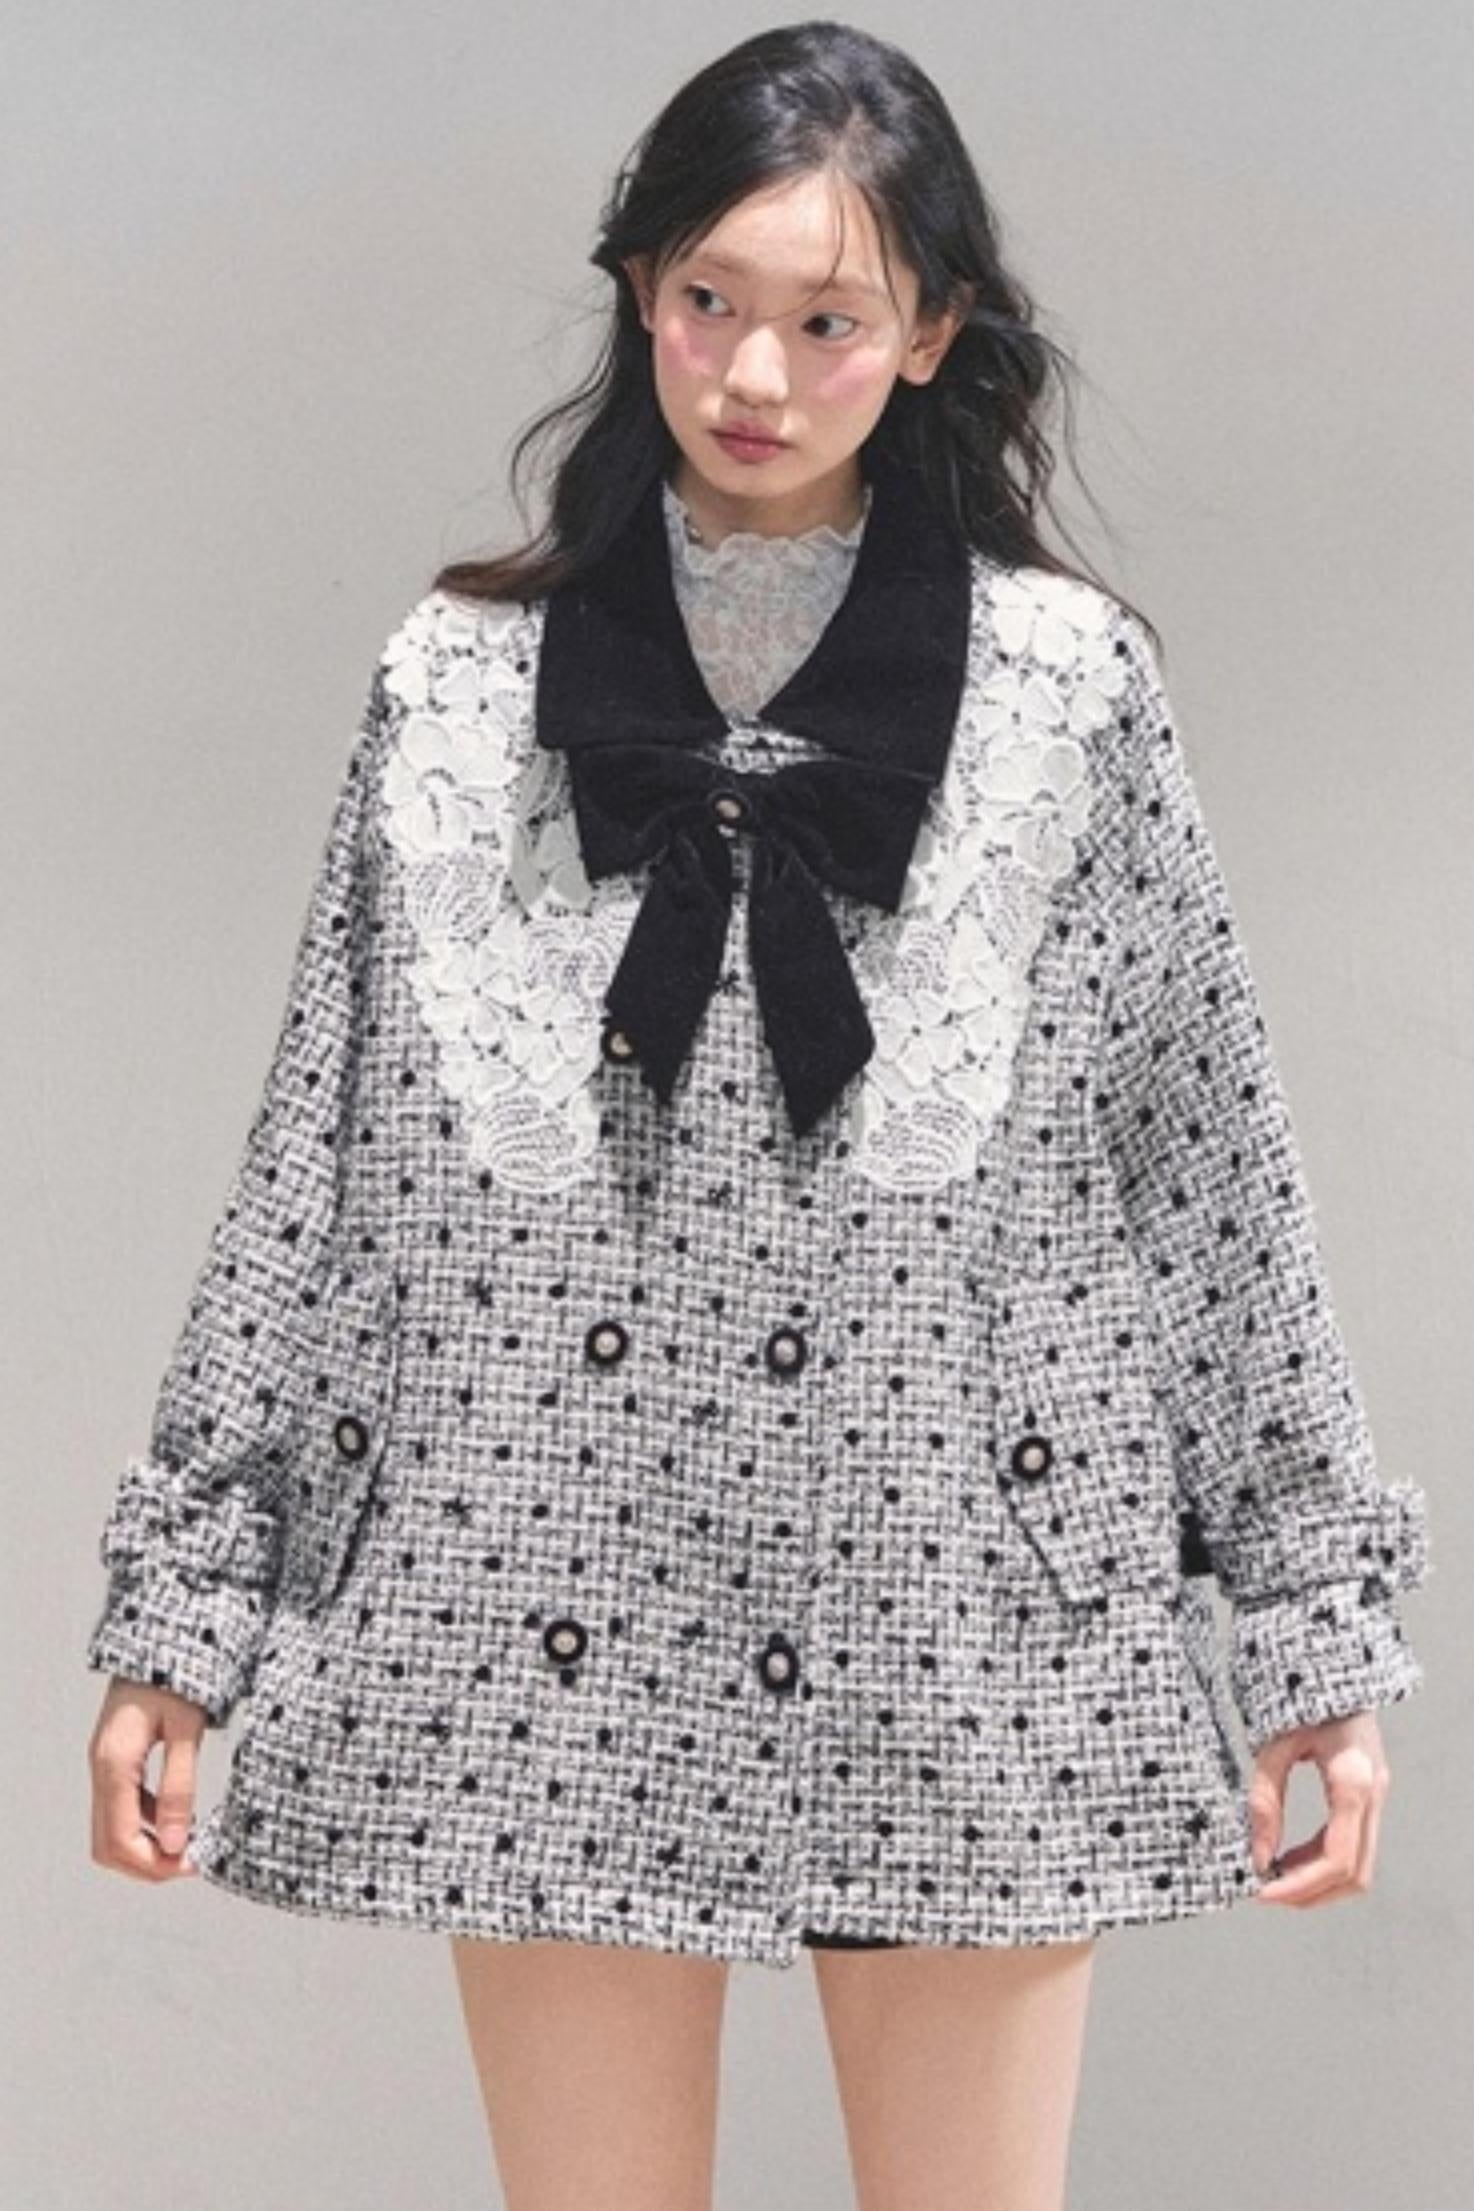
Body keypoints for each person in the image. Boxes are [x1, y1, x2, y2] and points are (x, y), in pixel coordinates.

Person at [84, 22, 1432, 2211]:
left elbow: (1206, 1174)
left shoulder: (1063, 691)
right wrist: (185, 1609)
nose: (754, 372)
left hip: (954, 1568)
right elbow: (321, 1164)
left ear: (933, 334)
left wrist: (1305, 1632)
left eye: (830, 320)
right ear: (637, 283)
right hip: (545, 1556)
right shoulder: (458, 685)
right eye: (710, 296)